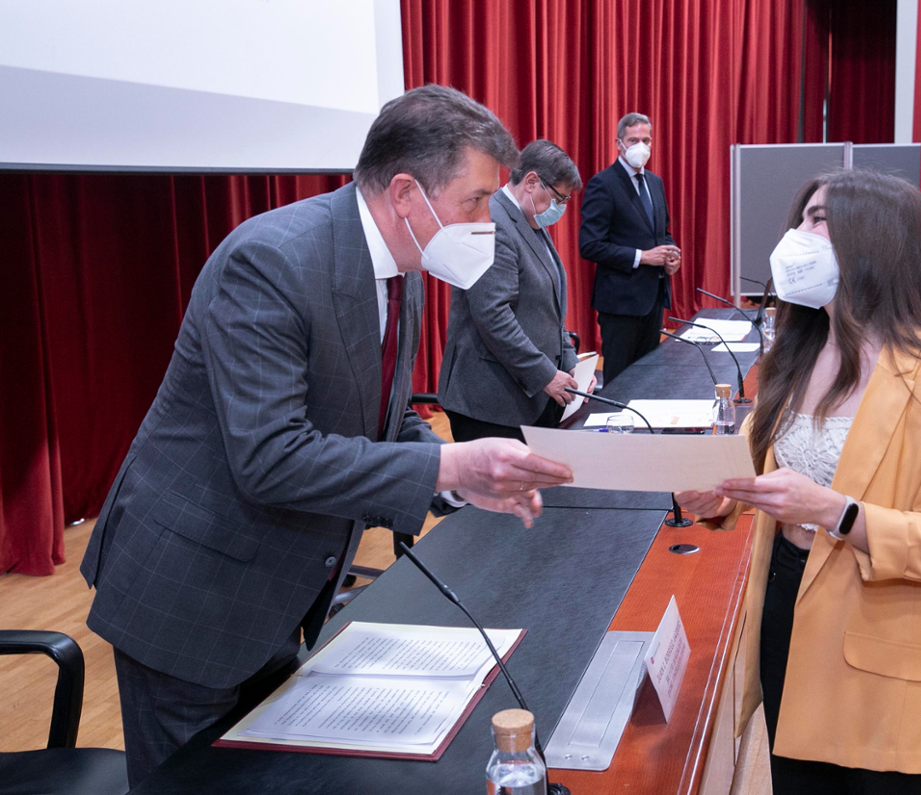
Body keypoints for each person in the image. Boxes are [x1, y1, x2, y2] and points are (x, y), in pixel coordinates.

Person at [79, 85, 574, 787]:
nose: (484, 224)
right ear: (406, 193)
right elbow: (271, 457)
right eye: (473, 202)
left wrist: (457, 473)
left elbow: (384, 417)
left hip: (279, 593)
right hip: (193, 596)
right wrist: (450, 467)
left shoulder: (405, 269)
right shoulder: (272, 260)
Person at [677, 169, 921, 794]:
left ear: (876, 241)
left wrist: (835, 511)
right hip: (787, 611)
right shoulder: (797, 354)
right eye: (802, 218)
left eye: (818, 220)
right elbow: (766, 469)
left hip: (882, 634)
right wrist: (722, 498)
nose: (798, 233)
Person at [439, 139, 596, 441]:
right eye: (558, 198)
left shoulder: (529, 220)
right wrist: (545, 374)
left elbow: (548, 309)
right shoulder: (492, 223)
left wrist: (570, 363)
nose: (560, 208)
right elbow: (493, 316)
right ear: (532, 181)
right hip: (491, 404)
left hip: (528, 397)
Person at [578, 112, 682, 383]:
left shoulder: (655, 183)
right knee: (620, 382)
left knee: (647, 380)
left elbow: (662, 233)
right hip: (620, 303)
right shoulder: (603, 184)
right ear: (619, 143)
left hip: (653, 299)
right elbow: (590, 245)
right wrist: (642, 257)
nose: (641, 146)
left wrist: (670, 254)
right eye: (633, 140)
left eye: (646, 140)